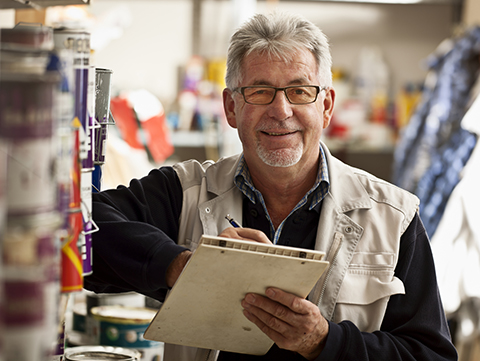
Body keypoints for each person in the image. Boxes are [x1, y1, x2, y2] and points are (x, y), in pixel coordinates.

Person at [85, 11, 458, 361]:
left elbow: (430, 354)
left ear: (326, 106)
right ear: (231, 108)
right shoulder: (183, 191)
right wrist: (179, 266)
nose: (281, 110)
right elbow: (80, 226)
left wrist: (324, 341)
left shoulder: (393, 217)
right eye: (260, 91)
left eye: (299, 91)